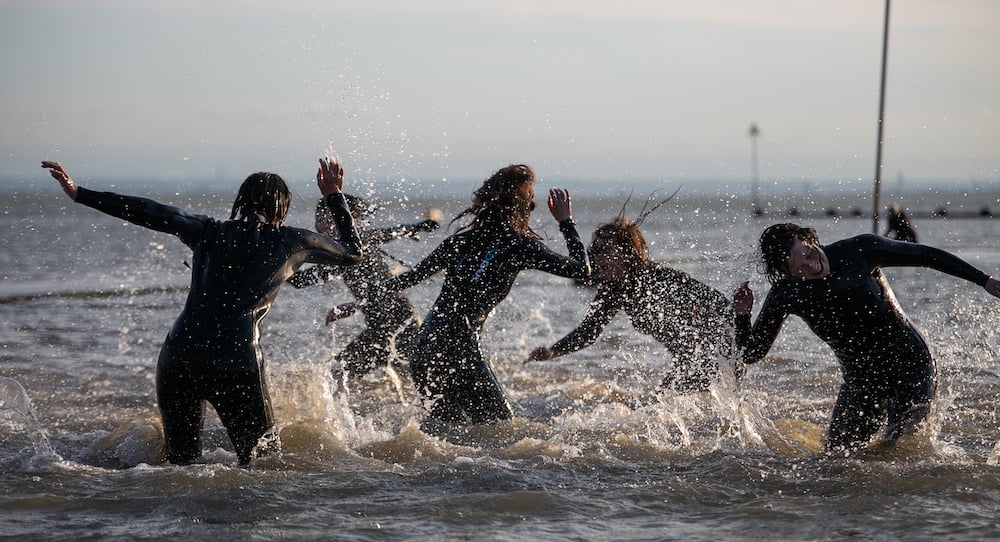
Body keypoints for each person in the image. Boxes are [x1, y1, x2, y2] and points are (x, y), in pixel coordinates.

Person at [41, 158, 363, 466]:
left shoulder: (208, 230)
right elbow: (352, 253)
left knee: (180, 464)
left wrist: (80, 193)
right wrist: (334, 197)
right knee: (265, 464)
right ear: (282, 207)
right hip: (237, 364)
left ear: (241, 201)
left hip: (179, 358)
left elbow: (149, 211)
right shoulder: (292, 241)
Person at [332, 164, 590, 427]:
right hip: (460, 351)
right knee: (503, 430)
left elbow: (409, 278)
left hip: (423, 350)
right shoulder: (521, 246)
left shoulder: (459, 242)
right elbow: (583, 270)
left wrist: (359, 301)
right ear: (524, 206)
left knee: (446, 432)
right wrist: (566, 222)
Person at [732, 223, 1000, 451]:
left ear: (810, 239)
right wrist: (742, 316)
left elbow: (926, 256)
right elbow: (752, 353)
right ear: (789, 273)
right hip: (861, 379)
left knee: (901, 448)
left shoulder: (859, 250)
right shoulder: (787, 293)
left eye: (808, 254)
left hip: (909, 365)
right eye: (800, 269)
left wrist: (984, 280)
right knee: (837, 457)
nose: (812, 267)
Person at [525, 204, 739, 392]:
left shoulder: (658, 276)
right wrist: (554, 351)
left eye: (603, 250)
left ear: (627, 252)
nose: (596, 257)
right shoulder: (613, 291)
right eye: (595, 250)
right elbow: (588, 332)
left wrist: (705, 321)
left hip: (717, 355)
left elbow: (719, 303)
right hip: (688, 361)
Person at [288, 194, 439, 379]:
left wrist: (355, 305)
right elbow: (301, 281)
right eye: (318, 219)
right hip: (385, 328)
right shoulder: (339, 254)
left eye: (326, 220)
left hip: (400, 325)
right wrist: (275, 265)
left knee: (338, 374)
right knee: (405, 380)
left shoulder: (358, 247)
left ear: (346, 221)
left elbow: (383, 288)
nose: (319, 226)